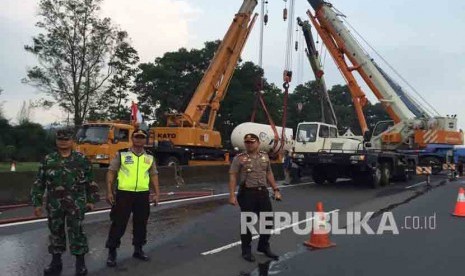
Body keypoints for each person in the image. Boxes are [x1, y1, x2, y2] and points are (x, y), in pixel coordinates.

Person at [31, 128, 99, 276]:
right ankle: (56, 263)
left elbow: (90, 182)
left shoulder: (81, 159)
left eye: (66, 140)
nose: (63, 142)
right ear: (56, 141)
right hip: (54, 204)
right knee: (56, 232)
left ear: (72, 141)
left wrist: (91, 200)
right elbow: (39, 183)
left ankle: (80, 264)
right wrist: (37, 203)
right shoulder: (48, 160)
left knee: (77, 232)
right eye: (60, 140)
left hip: (76, 203)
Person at [105, 129, 160, 267]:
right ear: (132, 138)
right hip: (124, 193)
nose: (139, 139)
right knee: (119, 223)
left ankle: (138, 249)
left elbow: (154, 175)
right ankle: (112, 251)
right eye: (137, 137)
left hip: (142, 194)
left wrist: (157, 193)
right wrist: (109, 191)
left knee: (141, 223)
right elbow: (111, 172)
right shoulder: (122, 154)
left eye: (142, 137)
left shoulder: (149, 157)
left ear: (145, 140)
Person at [229, 133, 282, 262]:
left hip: (262, 192)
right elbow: (233, 176)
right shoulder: (239, 159)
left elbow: (268, 172)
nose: (249, 144)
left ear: (258, 143)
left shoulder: (264, 156)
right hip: (247, 193)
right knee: (248, 223)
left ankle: (263, 246)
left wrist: (276, 189)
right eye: (246, 142)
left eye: (252, 142)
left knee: (267, 221)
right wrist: (232, 195)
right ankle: (246, 250)